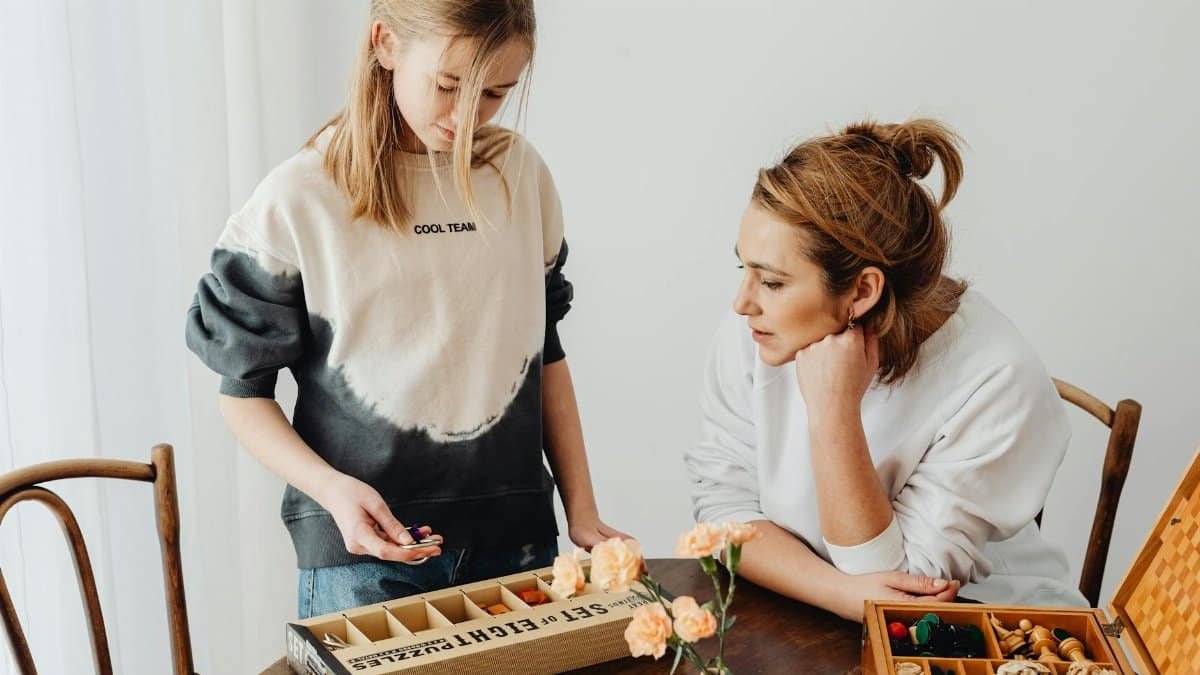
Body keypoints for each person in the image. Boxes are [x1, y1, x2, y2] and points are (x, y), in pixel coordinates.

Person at [186, 0, 626, 619]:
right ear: (385, 44)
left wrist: (581, 509)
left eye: (496, 93)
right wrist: (333, 492)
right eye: (449, 87)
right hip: (364, 565)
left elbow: (544, 354)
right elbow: (243, 394)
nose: (468, 116)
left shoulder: (519, 176)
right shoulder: (297, 199)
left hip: (518, 544)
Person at [684, 119, 1085, 621]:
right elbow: (722, 511)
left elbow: (902, 593)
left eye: (771, 281)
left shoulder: (996, 378)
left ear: (863, 292)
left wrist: (835, 414)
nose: (742, 302)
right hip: (816, 614)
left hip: (988, 626)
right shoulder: (762, 326)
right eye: (744, 268)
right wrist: (832, 591)